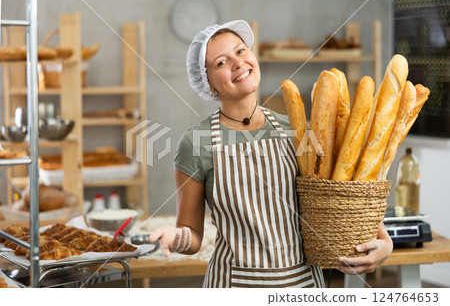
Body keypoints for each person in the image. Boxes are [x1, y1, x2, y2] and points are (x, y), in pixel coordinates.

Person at [148, 20, 393, 288]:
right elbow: (193, 235)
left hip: (303, 286)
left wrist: (385, 241)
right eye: (221, 62)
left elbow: (341, 199)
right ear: (208, 83)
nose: (238, 63)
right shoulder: (195, 143)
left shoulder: (297, 131)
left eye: (241, 51)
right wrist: (176, 236)